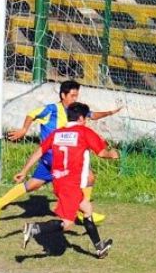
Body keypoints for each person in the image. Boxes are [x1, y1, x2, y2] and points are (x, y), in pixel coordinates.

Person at [0, 80, 121, 225]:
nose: (75, 99)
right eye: (72, 95)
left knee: (34, 184)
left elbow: (92, 115)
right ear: (63, 95)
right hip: (56, 156)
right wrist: (24, 129)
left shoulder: (74, 112)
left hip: (54, 157)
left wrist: (109, 113)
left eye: (76, 96)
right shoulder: (51, 110)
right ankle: (82, 212)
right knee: (87, 177)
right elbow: (32, 114)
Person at [14, 103, 119, 259]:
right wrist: (113, 154)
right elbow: (102, 153)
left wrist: (24, 171)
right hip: (71, 184)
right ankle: (34, 228)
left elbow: (39, 151)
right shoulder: (83, 132)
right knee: (67, 222)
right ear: (82, 118)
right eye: (86, 118)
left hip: (58, 181)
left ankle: (100, 247)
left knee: (87, 209)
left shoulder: (57, 133)